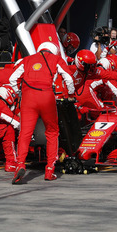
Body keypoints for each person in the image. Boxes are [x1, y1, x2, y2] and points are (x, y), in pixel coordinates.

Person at [9, 41, 75, 184]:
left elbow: (12, 79)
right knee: (52, 132)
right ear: (54, 51)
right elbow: (69, 78)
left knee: (25, 134)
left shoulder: (26, 60)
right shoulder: (57, 59)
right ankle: (50, 170)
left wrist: (19, 93)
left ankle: (20, 165)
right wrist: (70, 94)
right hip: (46, 97)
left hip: (28, 98)